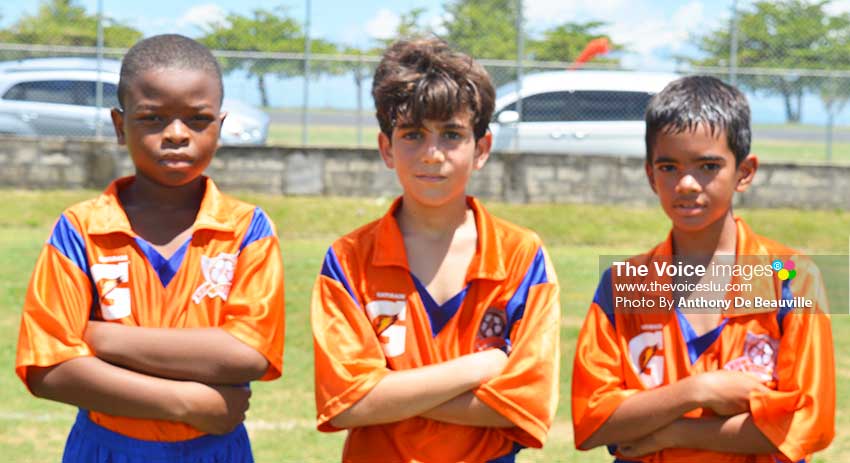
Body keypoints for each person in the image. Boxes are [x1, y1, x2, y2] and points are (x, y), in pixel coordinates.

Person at [15, 34, 285, 463]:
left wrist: (98, 336)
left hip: (214, 451)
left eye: (197, 119)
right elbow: (49, 370)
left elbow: (248, 353)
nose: (176, 134)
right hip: (105, 449)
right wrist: (187, 403)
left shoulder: (247, 229)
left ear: (220, 124)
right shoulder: (81, 229)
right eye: (153, 118)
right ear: (121, 126)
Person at [310, 37, 560, 463]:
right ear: (386, 148)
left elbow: (528, 404)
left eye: (451, 135)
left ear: (481, 149)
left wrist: (388, 391)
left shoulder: (522, 256)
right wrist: (478, 369)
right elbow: (348, 403)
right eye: (413, 134)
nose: (432, 154)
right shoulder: (348, 258)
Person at [572, 75, 834, 462]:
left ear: (744, 172)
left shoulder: (790, 276)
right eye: (669, 166)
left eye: (708, 165)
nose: (687, 184)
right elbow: (592, 422)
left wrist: (672, 430)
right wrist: (699, 390)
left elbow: (807, 423)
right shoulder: (625, 283)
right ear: (650, 175)